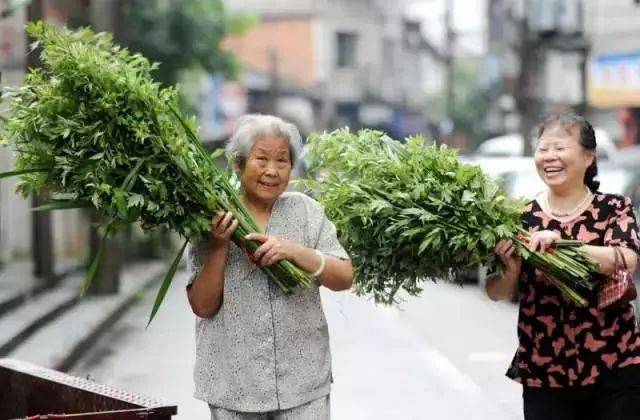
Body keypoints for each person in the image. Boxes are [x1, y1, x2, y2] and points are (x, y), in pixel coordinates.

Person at [186, 114, 353, 420]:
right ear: (238, 164)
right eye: (261, 159)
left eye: (282, 160)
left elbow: (344, 277)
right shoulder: (214, 217)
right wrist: (220, 246)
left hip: (303, 385)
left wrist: (294, 251)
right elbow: (202, 306)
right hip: (234, 387)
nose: (272, 171)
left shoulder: (306, 211)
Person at [485, 113, 640, 420]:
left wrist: (564, 245)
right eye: (543, 149)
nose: (549, 157)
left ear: (588, 156)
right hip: (545, 369)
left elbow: (626, 258)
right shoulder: (520, 218)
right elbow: (495, 292)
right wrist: (511, 269)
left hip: (613, 364)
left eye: (559, 148)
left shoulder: (614, 208)